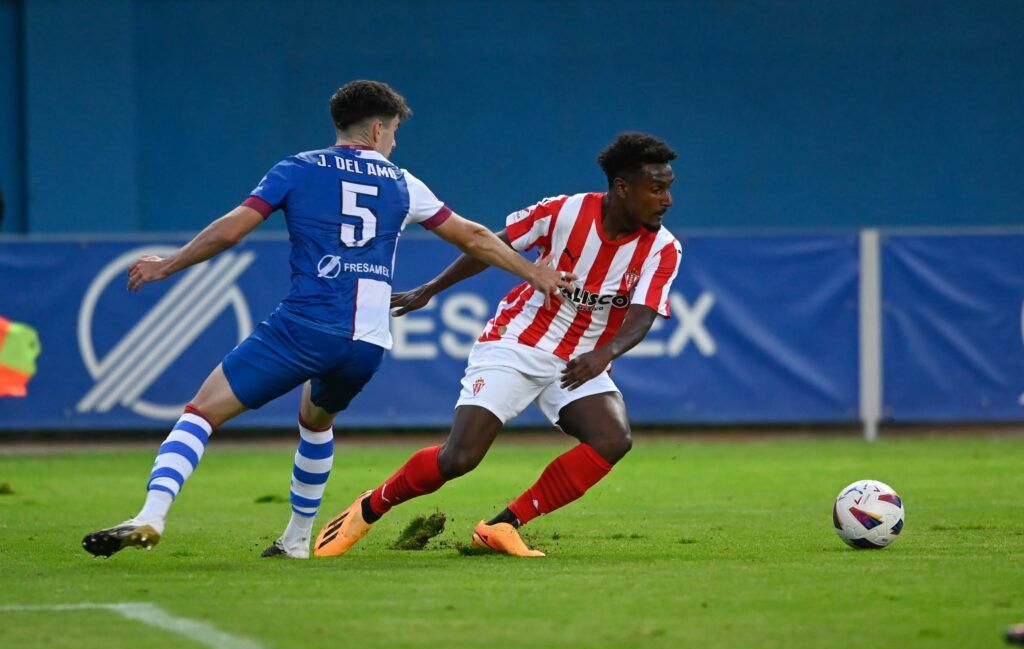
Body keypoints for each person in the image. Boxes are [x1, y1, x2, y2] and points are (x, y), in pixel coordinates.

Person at [82, 80, 571, 559]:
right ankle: (296, 540)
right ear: (378, 129)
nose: (395, 142)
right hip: (366, 345)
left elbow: (234, 228)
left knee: (201, 413)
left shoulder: (296, 169)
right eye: (396, 131)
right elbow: (476, 237)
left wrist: (167, 264)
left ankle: (152, 513)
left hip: (306, 327)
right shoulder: (403, 183)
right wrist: (534, 272)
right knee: (315, 423)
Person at [314, 132, 682, 558]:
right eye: (657, 188)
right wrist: (432, 288)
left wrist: (605, 353)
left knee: (613, 438)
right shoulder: (564, 212)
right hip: (515, 345)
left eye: (669, 188)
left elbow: (643, 314)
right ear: (622, 188)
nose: (667, 199)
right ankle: (369, 507)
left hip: (579, 362)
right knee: (459, 459)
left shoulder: (663, 249)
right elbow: (490, 245)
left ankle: (502, 526)